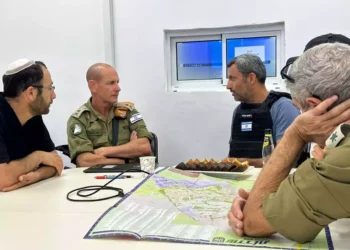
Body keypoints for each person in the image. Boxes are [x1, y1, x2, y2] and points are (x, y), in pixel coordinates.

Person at [228, 43, 350, 243]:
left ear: (315, 107)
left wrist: (296, 133)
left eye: (301, 112)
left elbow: (252, 222)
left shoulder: (342, 160)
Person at [67, 63, 152, 167]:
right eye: (111, 83)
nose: (118, 88)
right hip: (94, 180)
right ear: (93, 86)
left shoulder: (128, 112)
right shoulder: (79, 119)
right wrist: (127, 159)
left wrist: (104, 151)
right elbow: (85, 161)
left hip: (130, 177)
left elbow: (144, 147)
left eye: (117, 82)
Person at [0, 59, 63, 192]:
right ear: (31, 93)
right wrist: (38, 157)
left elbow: (56, 163)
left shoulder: (33, 115)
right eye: (50, 88)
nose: (54, 95)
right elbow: (2, 179)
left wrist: (35, 176)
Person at [227, 54, 300, 167]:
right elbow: (233, 155)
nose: (228, 86)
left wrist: (244, 163)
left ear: (251, 78)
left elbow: (286, 158)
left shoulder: (283, 107)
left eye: (233, 79)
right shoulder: (238, 111)